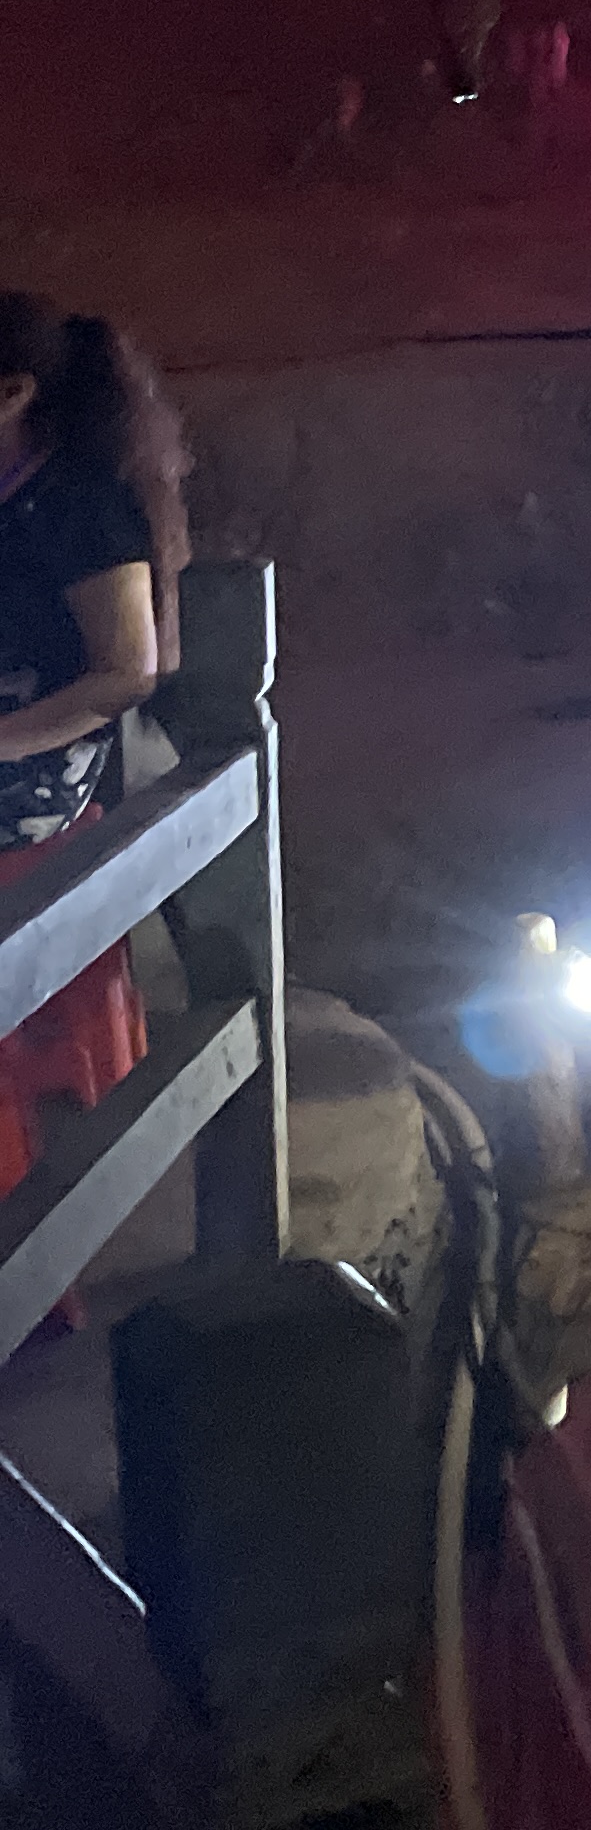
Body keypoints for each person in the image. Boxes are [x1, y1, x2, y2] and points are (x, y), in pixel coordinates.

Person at [0, 295, 189, 1288]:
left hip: (28, 780)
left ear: (13, 395)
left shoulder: (75, 506)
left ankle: (33, 1281)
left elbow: (129, 672)